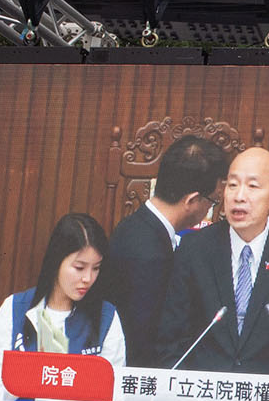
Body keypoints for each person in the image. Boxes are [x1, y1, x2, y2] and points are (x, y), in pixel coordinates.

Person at [157, 146, 269, 377]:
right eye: (232, 185)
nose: (239, 196)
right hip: (201, 397)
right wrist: (184, 397)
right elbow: (171, 338)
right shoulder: (195, 249)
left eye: (252, 186)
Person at [98, 133, 229, 367]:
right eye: (213, 201)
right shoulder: (150, 254)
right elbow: (144, 343)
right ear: (192, 201)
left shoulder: (135, 225)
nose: (213, 208)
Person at [0, 212, 126, 391]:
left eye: (96, 268)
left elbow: (114, 391)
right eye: (79, 267)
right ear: (56, 261)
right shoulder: (14, 309)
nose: (88, 278)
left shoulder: (106, 317)